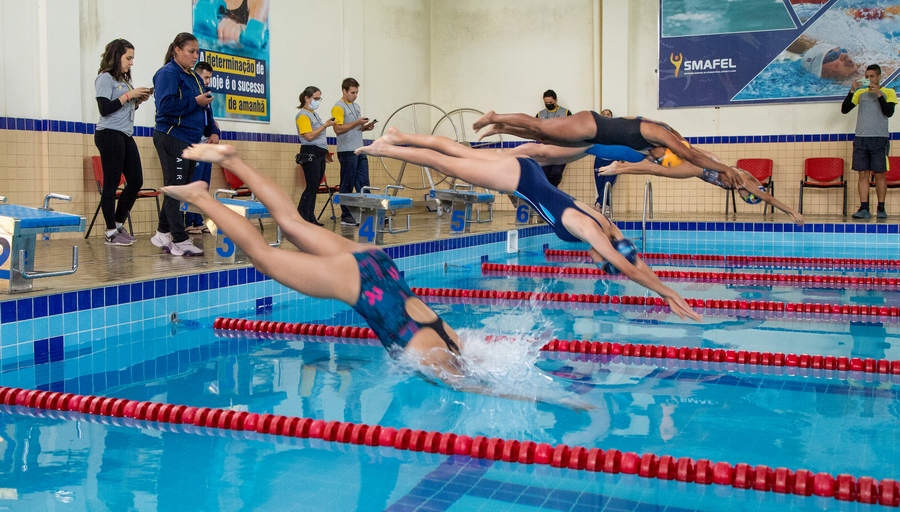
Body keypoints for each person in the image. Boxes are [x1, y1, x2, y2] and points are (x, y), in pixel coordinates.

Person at [161, 144, 464, 382]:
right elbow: (476, 386)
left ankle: (232, 161)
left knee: (292, 222)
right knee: (263, 257)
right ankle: (201, 198)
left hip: (379, 265)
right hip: (360, 283)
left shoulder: (456, 343)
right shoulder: (441, 365)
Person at [358, 128, 702, 322]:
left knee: (456, 151)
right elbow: (626, 264)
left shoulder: (607, 223)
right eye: (603, 262)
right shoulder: (592, 230)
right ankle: (383, 150)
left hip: (527, 171)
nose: (598, 262)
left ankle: (397, 136)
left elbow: (631, 258)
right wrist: (667, 292)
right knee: (444, 161)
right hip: (517, 178)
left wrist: (665, 287)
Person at [472, 110, 745, 189]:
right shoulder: (660, 135)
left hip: (591, 140)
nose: (661, 159)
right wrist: (722, 168)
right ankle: (497, 118)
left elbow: (690, 157)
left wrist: (723, 171)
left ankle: (502, 129)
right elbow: (693, 156)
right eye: (666, 157)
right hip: (590, 127)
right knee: (540, 129)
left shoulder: (652, 145)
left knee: (542, 143)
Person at [150, 33, 219, 256]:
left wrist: (213, 131)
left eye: (197, 52)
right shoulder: (167, 74)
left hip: (190, 139)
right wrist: (195, 102)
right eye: (191, 51)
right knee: (177, 188)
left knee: (182, 188)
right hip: (171, 136)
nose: (195, 56)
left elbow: (206, 108)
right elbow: (166, 105)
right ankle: (179, 239)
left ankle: (162, 232)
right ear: (176, 50)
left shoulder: (194, 77)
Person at [596, 158, 805, 225]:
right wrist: (790, 211)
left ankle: (623, 162)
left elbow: (762, 190)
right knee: (658, 170)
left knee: (659, 161)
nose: (741, 197)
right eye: (747, 199)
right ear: (750, 194)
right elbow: (767, 197)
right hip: (699, 168)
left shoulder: (745, 178)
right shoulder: (745, 183)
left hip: (704, 162)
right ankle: (620, 167)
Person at [93, 39, 152, 246]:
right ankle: (110, 232)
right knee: (111, 183)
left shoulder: (126, 81)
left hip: (125, 134)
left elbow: (124, 108)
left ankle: (118, 224)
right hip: (109, 134)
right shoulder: (104, 78)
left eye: (133, 58)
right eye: (128, 58)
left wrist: (137, 101)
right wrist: (129, 96)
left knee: (136, 180)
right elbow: (104, 108)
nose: (131, 63)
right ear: (116, 56)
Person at [841, 64, 897, 219]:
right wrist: (851, 91)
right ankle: (864, 207)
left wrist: (878, 94)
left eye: (872, 76)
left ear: (879, 77)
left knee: (880, 174)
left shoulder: (888, 92)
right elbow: (845, 109)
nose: (869, 79)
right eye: (867, 76)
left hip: (879, 138)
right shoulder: (860, 93)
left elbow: (889, 112)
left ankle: (881, 208)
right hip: (861, 139)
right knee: (863, 173)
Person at [332, 78, 377, 226]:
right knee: (347, 183)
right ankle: (346, 215)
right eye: (352, 92)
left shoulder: (356, 106)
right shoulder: (338, 107)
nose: (355, 95)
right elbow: (338, 129)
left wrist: (365, 127)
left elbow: (354, 129)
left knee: (363, 182)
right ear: (344, 91)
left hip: (359, 148)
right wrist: (357, 123)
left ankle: (369, 213)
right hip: (347, 151)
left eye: (357, 92)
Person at [185, 61, 220, 234]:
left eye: (209, 78)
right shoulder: (191, 94)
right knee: (193, 183)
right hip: (193, 144)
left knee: (204, 184)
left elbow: (211, 120)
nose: (207, 81)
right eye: (205, 77)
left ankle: (198, 219)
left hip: (206, 145)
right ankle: (187, 220)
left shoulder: (206, 97)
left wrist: (215, 132)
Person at [295, 86, 334, 226]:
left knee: (315, 186)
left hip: (318, 152)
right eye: (316, 98)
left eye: (319, 99)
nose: (318, 101)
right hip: (309, 151)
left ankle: (310, 217)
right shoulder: (303, 115)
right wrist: (325, 125)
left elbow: (319, 138)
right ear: (307, 98)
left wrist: (325, 154)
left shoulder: (314, 114)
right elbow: (309, 136)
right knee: (311, 186)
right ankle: (301, 217)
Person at [535, 90, 573, 187]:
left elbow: (573, 129)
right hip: (545, 151)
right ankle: (549, 192)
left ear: (556, 100)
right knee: (543, 174)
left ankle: (550, 190)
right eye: (546, 103)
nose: (548, 104)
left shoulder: (566, 112)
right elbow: (535, 131)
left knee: (556, 173)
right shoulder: (540, 115)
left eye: (550, 103)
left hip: (561, 150)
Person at [593, 109, 617, 212]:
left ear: (611, 117)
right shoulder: (596, 130)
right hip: (599, 159)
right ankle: (605, 205)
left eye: (608, 114)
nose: (606, 116)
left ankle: (598, 203)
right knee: (600, 185)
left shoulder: (617, 130)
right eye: (603, 114)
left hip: (611, 160)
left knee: (608, 183)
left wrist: (620, 159)